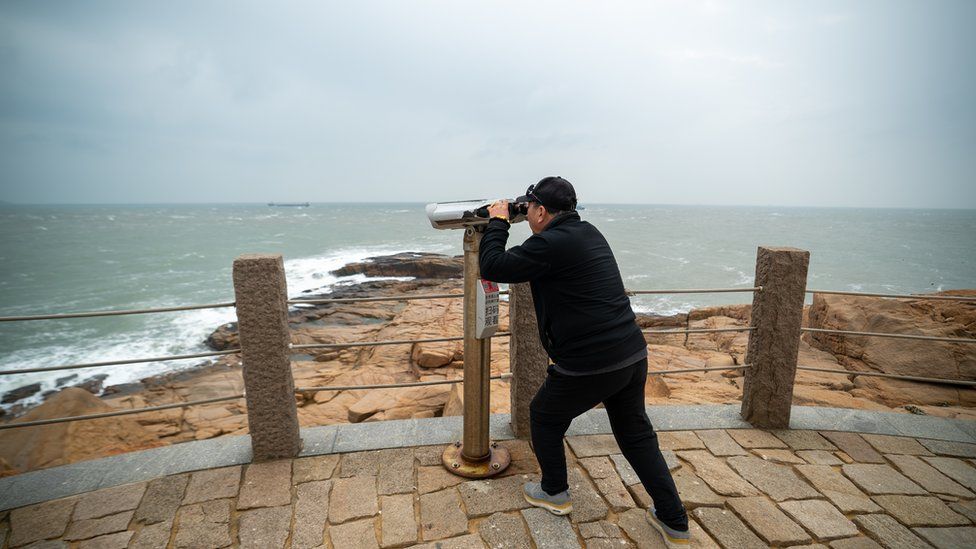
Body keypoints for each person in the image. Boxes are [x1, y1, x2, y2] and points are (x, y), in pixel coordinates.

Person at [479, 176, 690, 547]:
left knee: (543, 416)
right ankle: (674, 520)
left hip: (589, 363)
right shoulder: (587, 232)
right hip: (631, 353)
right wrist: (514, 213)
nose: (526, 215)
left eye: (529, 209)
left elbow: (494, 264)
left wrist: (498, 221)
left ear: (541, 211)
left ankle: (554, 491)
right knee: (636, 435)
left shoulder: (548, 244)